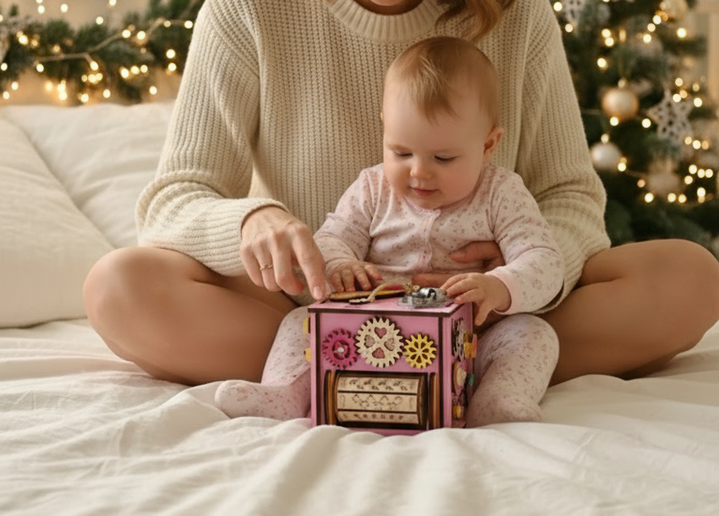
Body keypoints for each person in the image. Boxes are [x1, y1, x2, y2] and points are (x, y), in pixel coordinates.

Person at [83, 0, 719, 394]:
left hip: (491, 313)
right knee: (120, 288)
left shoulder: (513, 1)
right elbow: (173, 200)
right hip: (318, 298)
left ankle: (440, 365)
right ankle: (358, 361)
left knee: (692, 278)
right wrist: (255, 220)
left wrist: (512, 277)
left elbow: (571, 197)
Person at [216, 37, 564, 426]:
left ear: (488, 145)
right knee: (300, 323)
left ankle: (497, 397)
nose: (419, 171)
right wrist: (340, 263)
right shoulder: (372, 187)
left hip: (471, 340)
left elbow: (545, 261)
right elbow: (331, 238)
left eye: (443, 158)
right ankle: (288, 392)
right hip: (369, 332)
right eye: (401, 152)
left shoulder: (501, 192)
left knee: (534, 334)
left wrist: (500, 286)